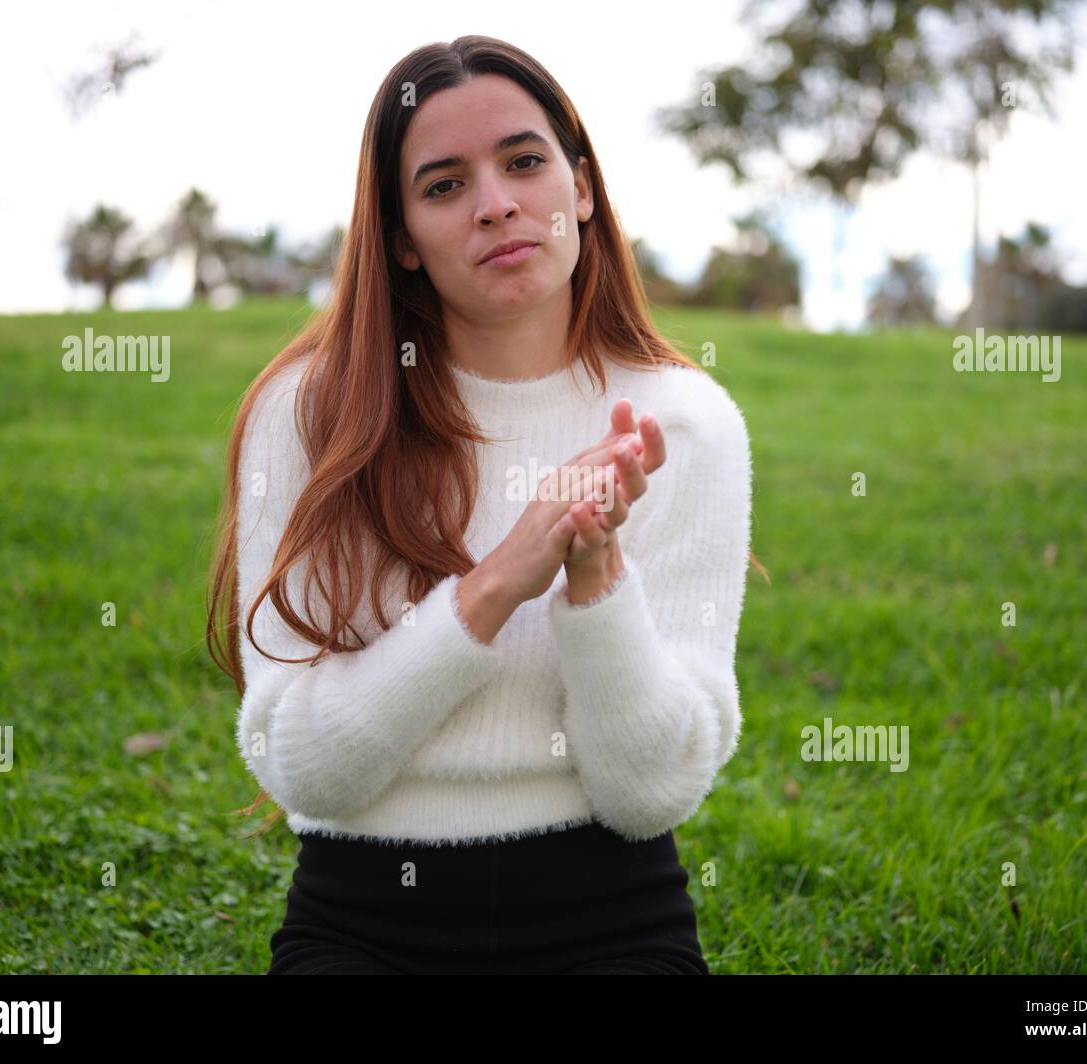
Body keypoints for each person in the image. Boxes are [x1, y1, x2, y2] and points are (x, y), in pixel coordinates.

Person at [205, 34, 761, 975]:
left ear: (581, 189)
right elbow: (305, 769)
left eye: (524, 162)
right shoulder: (315, 418)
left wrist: (595, 577)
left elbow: (651, 792)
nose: (498, 204)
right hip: (365, 910)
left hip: (609, 909)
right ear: (399, 240)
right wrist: (498, 582)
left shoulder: (686, 424)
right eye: (443, 185)